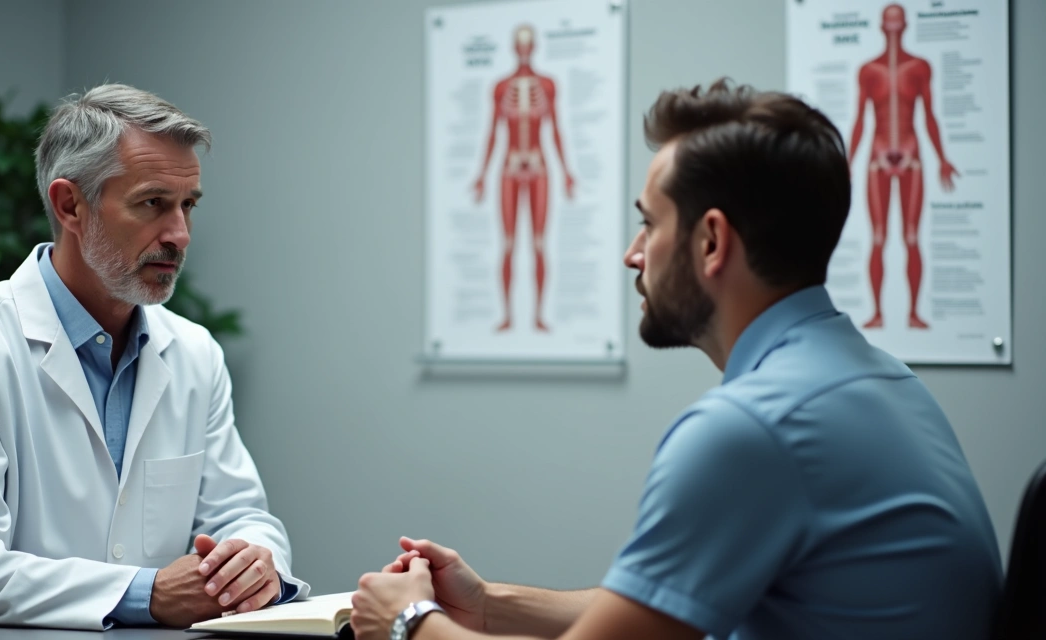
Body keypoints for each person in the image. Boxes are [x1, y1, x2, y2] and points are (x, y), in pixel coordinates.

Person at [351, 80, 1001, 640]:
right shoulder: (878, 380)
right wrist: (488, 605)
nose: (634, 254)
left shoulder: (754, 429)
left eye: (650, 224)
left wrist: (412, 623)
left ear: (712, 240)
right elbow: (664, 611)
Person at [0, 84, 309, 630]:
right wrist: (147, 594)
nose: (180, 234)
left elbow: (238, 512)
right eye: (153, 203)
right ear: (70, 205)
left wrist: (251, 561)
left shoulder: (195, 353)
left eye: (188, 206)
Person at [848, 3, 959, 330]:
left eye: (898, 25)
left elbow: (929, 117)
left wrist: (942, 158)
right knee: (879, 237)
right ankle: (878, 313)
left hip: (910, 154)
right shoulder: (868, 70)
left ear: (905, 26)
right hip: (877, 157)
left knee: (911, 237)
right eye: (889, 25)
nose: (894, 31)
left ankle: (912, 313)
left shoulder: (919, 67)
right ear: (883, 27)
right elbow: (860, 121)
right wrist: (848, 162)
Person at [472, 24, 575, 332]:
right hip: (510, 167)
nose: (525, 49)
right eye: (520, 44)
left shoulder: (548, 84)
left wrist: (567, 171)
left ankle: (538, 316)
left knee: (540, 244)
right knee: (508, 244)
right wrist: (481, 173)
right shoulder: (501, 87)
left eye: (529, 44)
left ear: (535, 47)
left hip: (540, 167)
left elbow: (556, 128)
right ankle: (507, 316)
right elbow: (492, 131)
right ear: (514, 47)